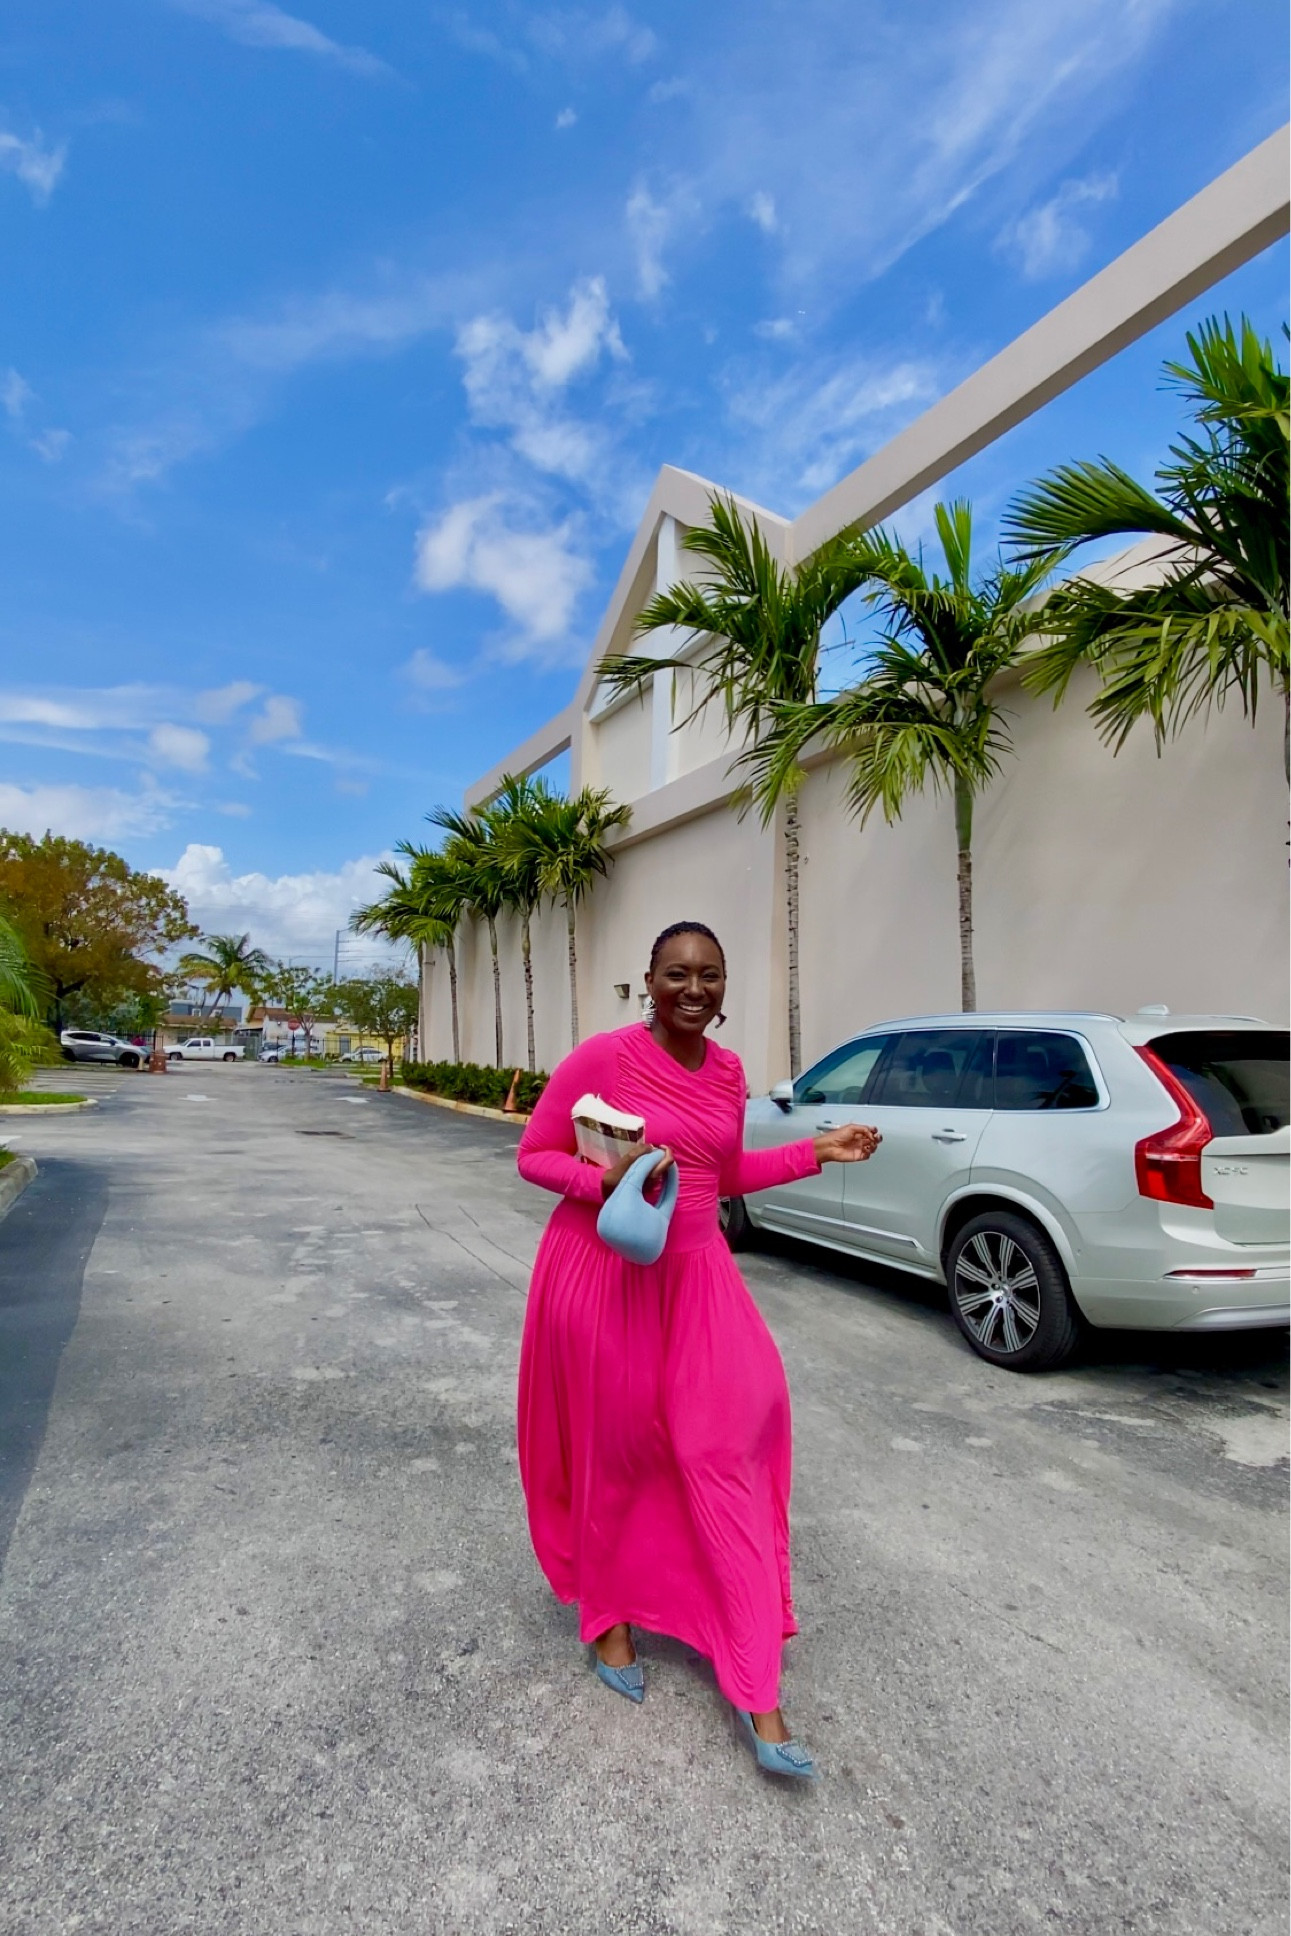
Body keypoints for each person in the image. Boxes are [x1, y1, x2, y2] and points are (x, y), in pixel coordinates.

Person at [516, 921, 881, 1780]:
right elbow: (533, 1155)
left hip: (696, 1276)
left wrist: (814, 1152)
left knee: (729, 1444)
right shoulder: (603, 1058)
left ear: (722, 986)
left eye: (708, 975)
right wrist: (598, 1178)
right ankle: (609, 1618)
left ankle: (757, 1687)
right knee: (616, 1453)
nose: (692, 988)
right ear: (648, 980)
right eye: (675, 973)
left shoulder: (727, 1070)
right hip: (602, 1275)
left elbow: (724, 1174)